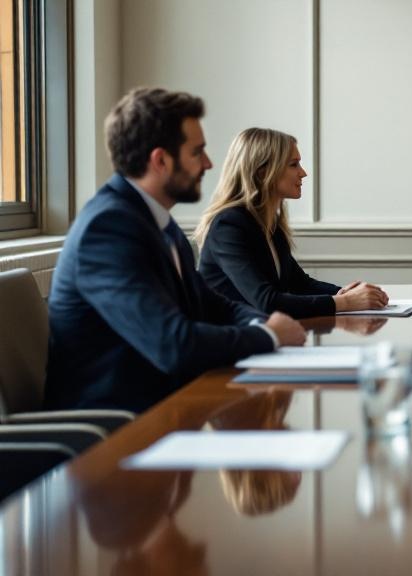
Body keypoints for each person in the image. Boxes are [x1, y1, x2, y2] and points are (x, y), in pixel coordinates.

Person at [46, 88, 307, 412]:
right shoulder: (107, 230)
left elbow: (215, 306)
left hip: (167, 410)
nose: (209, 164)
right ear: (161, 161)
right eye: (197, 152)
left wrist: (262, 323)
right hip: (115, 431)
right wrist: (268, 336)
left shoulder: (158, 223)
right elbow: (173, 345)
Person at [194, 128, 388, 318]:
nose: (303, 173)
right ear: (263, 172)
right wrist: (347, 302)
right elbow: (267, 302)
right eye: (294, 164)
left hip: (264, 336)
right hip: (232, 344)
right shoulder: (228, 226)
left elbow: (301, 285)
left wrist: (347, 293)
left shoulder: (270, 223)